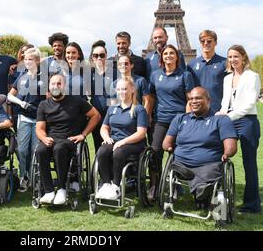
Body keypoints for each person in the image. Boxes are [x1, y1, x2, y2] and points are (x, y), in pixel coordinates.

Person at [162, 87, 237, 208]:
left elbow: (231, 146)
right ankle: (200, 190)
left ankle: (202, 191)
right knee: (181, 170)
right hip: (182, 165)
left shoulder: (221, 120)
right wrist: (169, 148)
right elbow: (166, 143)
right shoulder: (180, 119)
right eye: (191, 99)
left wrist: (227, 153)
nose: (193, 101)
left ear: (208, 100)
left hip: (209, 165)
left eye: (198, 98)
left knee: (209, 174)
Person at [35, 74, 101, 205]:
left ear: (64, 85)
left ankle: (61, 189)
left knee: (59, 149)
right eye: (53, 83)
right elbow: (39, 128)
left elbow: (96, 115)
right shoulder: (43, 105)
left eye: (59, 83)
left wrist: (83, 134)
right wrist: (43, 138)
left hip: (70, 140)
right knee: (40, 151)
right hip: (51, 139)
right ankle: (48, 191)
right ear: (49, 86)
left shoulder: (76, 101)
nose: (56, 86)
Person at [217, 45, 262, 214]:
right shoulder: (227, 78)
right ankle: (219, 198)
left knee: (249, 163)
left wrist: (229, 116)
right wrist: (220, 114)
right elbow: (224, 102)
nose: (233, 60)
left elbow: (250, 104)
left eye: (236, 56)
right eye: (230, 57)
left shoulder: (252, 76)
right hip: (229, 120)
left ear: (244, 57)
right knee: (219, 156)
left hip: (247, 121)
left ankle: (252, 205)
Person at [148, 44, 195, 199]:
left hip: (179, 120)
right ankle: (155, 185)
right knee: (155, 152)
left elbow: (190, 99)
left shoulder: (185, 75)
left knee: (177, 154)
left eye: (171, 53)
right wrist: (148, 115)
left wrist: (188, 120)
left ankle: (174, 185)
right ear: (161, 57)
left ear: (177, 56)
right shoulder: (155, 75)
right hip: (160, 120)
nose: (168, 55)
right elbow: (152, 98)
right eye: (165, 53)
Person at [95, 78, 148, 200]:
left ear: (132, 89)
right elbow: (104, 127)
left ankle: (116, 185)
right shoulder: (112, 108)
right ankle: (106, 184)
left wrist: (123, 141)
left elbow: (141, 133)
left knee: (118, 152)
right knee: (102, 151)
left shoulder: (139, 109)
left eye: (124, 89)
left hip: (134, 143)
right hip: (115, 140)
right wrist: (107, 137)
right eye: (119, 89)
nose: (121, 92)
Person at [7, 47, 46, 192]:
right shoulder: (21, 77)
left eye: (30, 59)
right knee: (22, 150)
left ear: (36, 61)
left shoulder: (45, 77)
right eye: (25, 59)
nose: (27, 62)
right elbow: (9, 96)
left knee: (35, 150)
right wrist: (21, 102)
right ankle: (24, 176)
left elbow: (50, 98)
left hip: (39, 120)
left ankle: (34, 178)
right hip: (23, 118)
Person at [187, 30, 227, 112]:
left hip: (219, 110)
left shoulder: (225, 63)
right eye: (202, 41)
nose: (205, 43)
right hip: (198, 110)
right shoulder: (191, 64)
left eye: (209, 41)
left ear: (215, 43)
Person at [89, 40, 113, 154]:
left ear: (106, 56)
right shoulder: (89, 74)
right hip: (96, 116)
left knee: (112, 145)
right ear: (92, 57)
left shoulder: (114, 73)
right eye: (96, 55)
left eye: (102, 55)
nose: (99, 58)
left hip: (112, 114)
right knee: (98, 146)